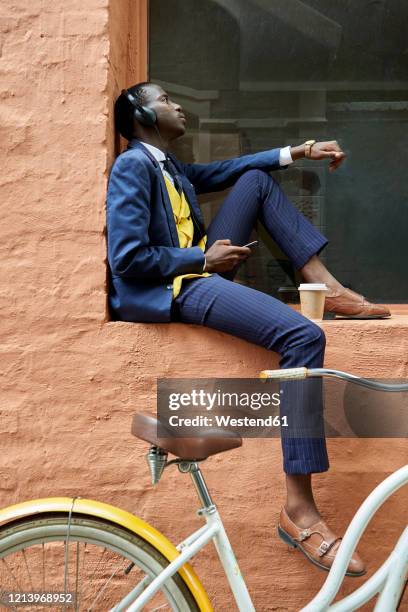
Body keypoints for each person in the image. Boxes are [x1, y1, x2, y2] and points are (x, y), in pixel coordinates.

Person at [106, 81, 390, 576]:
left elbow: (226, 171)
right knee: (303, 336)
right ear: (141, 114)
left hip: (199, 269)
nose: (177, 105)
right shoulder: (132, 165)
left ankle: (328, 288)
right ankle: (298, 510)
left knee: (256, 179)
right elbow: (127, 258)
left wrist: (297, 151)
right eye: (166, 99)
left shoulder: (166, 164)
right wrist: (202, 257)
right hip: (179, 286)